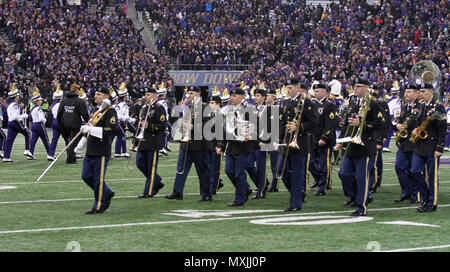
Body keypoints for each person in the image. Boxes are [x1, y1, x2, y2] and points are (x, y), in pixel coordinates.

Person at [336, 77, 384, 216]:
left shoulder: (374, 103)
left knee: (362, 178)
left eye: (359, 86)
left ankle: (361, 207)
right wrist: (341, 140)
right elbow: (347, 123)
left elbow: (380, 124)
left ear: (366, 88)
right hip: (351, 144)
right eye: (354, 86)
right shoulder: (352, 102)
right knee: (343, 173)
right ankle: (359, 196)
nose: (355, 88)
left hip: (365, 145)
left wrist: (362, 122)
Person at [165, 86, 213, 202]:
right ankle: (177, 192)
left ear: (198, 94)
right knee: (181, 169)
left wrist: (194, 127)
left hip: (200, 144)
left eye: (191, 93)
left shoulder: (205, 108)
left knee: (202, 170)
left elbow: (209, 126)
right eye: (189, 93)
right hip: (186, 144)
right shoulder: (187, 107)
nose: (189, 95)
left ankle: (206, 194)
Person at [75, 86, 117, 214]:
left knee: (98, 180)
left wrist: (91, 130)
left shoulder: (110, 111)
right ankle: (107, 192)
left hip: (101, 150)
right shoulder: (95, 110)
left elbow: (110, 129)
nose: (95, 96)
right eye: (95, 94)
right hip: (91, 149)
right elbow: (90, 128)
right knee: (86, 176)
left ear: (106, 96)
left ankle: (98, 206)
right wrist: (80, 145)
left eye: (99, 94)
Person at [409, 83, 447, 212]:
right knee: (414, 171)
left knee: (431, 176)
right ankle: (425, 196)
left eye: (424, 91)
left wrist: (439, 147)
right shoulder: (420, 105)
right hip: (420, 145)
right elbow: (418, 122)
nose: (421, 94)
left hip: (432, 146)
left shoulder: (439, 107)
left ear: (431, 92)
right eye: (420, 91)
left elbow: (442, 129)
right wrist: (415, 130)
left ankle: (431, 203)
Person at [216, 87, 254, 206]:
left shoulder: (248, 110)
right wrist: (220, 145)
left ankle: (240, 199)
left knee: (239, 173)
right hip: (232, 145)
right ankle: (245, 189)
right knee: (229, 171)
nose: (231, 98)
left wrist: (251, 135)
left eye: (234, 96)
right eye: (231, 96)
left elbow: (256, 126)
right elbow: (226, 129)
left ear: (241, 97)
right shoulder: (229, 110)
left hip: (243, 146)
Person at [135, 87, 167, 198]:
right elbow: (140, 126)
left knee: (151, 167)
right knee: (139, 163)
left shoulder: (159, 108)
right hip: (142, 142)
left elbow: (163, 126)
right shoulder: (144, 108)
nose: (146, 97)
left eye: (148, 94)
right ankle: (157, 181)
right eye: (145, 94)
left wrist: (150, 126)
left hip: (153, 141)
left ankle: (148, 192)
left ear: (154, 95)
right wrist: (135, 142)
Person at [309, 83, 339, 196]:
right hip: (313, 138)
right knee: (310, 162)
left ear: (325, 92)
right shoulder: (314, 104)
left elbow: (332, 123)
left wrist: (324, 137)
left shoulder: (329, 104)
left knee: (323, 164)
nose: (315, 93)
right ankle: (319, 179)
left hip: (325, 139)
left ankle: (322, 187)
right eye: (315, 91)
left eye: (317, 91)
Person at [393, 83, 421, 204]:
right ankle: (406, 191)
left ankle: (415, 194)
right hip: (403, 143)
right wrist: (398, 125)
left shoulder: (420, 107)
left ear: (416, 93)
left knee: (413, 169)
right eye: (406, 92)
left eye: (409, 92)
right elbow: (398, 120)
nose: (406, 94)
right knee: (399, 167)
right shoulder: (404, 107)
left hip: (414, 142)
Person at [57, 83, 90, 164]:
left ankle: (70, 157)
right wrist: (88, 122)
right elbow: (84, 114)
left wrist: (61, 123)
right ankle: (71, 159)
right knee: (73, 142)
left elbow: (59, 113)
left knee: (68, 142)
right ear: (76, 91)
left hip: (65, 124)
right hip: (75, 124)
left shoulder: (64, 100)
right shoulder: (79, 101)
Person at [3, 84, 33, 162]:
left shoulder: (10, 104)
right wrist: (24, 115)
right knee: (27, 133)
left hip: (10, 123)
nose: (18, 96)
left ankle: (6, 156)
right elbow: (15, 116)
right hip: (15, 122)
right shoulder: (15, 105)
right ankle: (27, 149)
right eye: (18, 95)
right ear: (15, 96)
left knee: (9, 140)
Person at [29, 89, 52, 160]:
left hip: (34, 125)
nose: (41, 101)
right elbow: (41, 119)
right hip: (40, 125)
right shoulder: (39, 109)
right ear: (37, 101)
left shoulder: (32, 109)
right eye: (40, 100)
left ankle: (30, 153)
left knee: (33, 140)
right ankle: (50, 153)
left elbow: (30, 118)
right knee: (46, 140)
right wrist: (45, 120)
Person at [48, 85, 68, 160]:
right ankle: (70, 154)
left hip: (54, 121)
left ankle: (50, 154)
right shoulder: (61, 104)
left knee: (54, 139)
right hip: (61, 122)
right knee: (67, 138)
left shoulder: (53, 104)